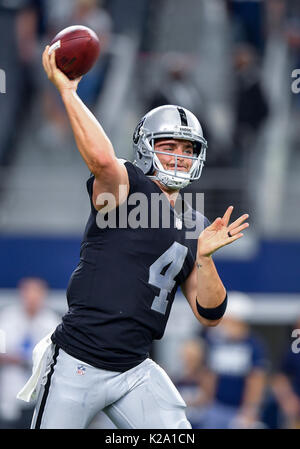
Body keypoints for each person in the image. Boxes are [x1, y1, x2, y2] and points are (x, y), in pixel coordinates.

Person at [17, 46, 249, 429]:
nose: (178, 156)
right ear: (146, 147)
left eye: (187, 149)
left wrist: (205, 260)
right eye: (168, 146)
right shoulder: (127, 185)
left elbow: (209, 314)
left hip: (135, 369)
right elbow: (102, 162)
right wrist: (70, 93)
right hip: (79, 359)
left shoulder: (194, 222)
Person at [200, 292, 268, 429]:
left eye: (228, 320)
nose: (223, 325)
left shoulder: (253, 345)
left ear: (239, 322)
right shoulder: (216, 342)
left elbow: (256, 379)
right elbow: (209, 374)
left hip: (240, 411)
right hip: (216, 407)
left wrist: (249, 411)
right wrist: (206, 402)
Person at [0, 277, 59, 429]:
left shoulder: (52, 322)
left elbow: (57, 358)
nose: (32, 300)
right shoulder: (6, 318)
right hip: (10, 393)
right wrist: (22, 359)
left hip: (40, 395)